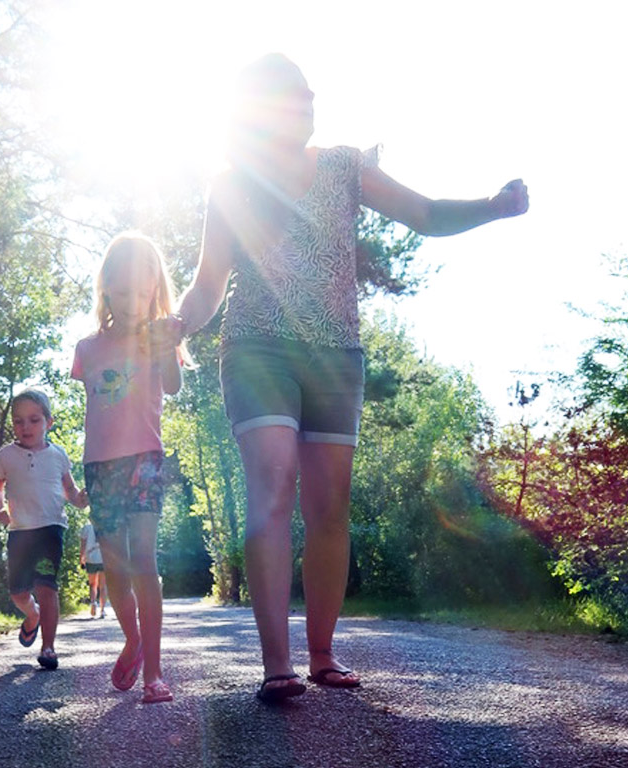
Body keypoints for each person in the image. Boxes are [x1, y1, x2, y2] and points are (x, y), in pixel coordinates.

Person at [159, 53, 529, 703]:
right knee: (272, 486)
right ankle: (279, 665)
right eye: (293, 98)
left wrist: (493, 208)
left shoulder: (344, 165)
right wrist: (178, 324)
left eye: (310, 95)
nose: (307, 105)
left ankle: (323, 654)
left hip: (335, 357)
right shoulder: (233, 185)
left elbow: (426, 213)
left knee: (329, 506)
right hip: (257, 348)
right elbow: (208, 282)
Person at [71, 232, 186, 705]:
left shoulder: (160, 336)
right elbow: (95, 412)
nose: (134, 302)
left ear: (156, 290)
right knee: (114, 564)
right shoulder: (87, 347)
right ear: (106, 290)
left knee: (144, 561)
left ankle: (154, 671)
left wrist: (165, 346)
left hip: (145, 459)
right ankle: (133, 638)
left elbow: (175, 387)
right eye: (124, 292)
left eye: (144, 292)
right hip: (100, 466)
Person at [0, 389, 88, 671]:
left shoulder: (58, 454)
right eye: (19, 421)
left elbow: (70, 489)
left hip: (50, 529)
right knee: (18, 592)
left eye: (34, 420)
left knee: (46, 585)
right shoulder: (6, 455)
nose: (26, 427)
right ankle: (31, 615)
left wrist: (81, 499)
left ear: (49, 422)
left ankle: (48, 647)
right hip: (19, 531)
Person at [79, 520, 108, 619]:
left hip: (90, 558)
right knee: (103, 586)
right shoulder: (105, 527)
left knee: (93, 584)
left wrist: (81, 559)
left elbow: (82, 545)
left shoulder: (86, 528)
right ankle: (102, 610)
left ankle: (93, 603)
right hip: (103, 558)